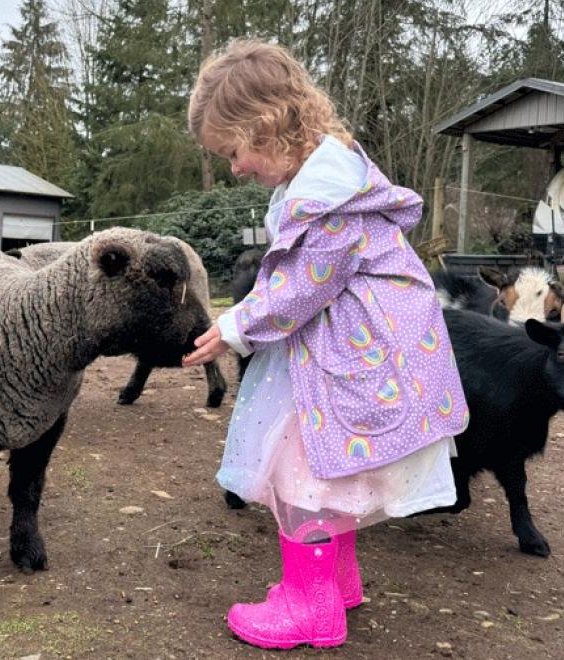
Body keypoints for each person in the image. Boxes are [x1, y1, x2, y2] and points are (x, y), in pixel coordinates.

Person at [182, 40, 470, 650]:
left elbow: (298, 287)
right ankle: (336, 582)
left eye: (233, 152)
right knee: (330, 467)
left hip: (348, 358)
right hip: (346, 349)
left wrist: (232, 328)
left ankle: (310, 609)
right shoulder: (326, 181)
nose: (234, 168)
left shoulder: (329, 201)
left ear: (266, 126)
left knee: (303, 470)